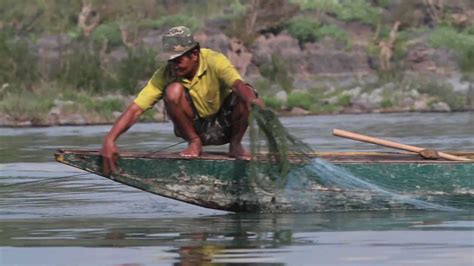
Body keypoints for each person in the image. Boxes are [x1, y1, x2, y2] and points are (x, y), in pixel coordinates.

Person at [101, 26, 263, 176]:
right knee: (173, 91)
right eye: (170, 61)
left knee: (248, 93)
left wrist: (252, 101)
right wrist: (110, 139)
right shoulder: (165, 74)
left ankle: (235, 144)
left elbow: (237, 84)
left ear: (194, 55)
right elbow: (136, 109)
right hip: (195, 129)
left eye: (178, 60)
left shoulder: (214, 60)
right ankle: (194, 142)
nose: (174, 66)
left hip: (225, 126)